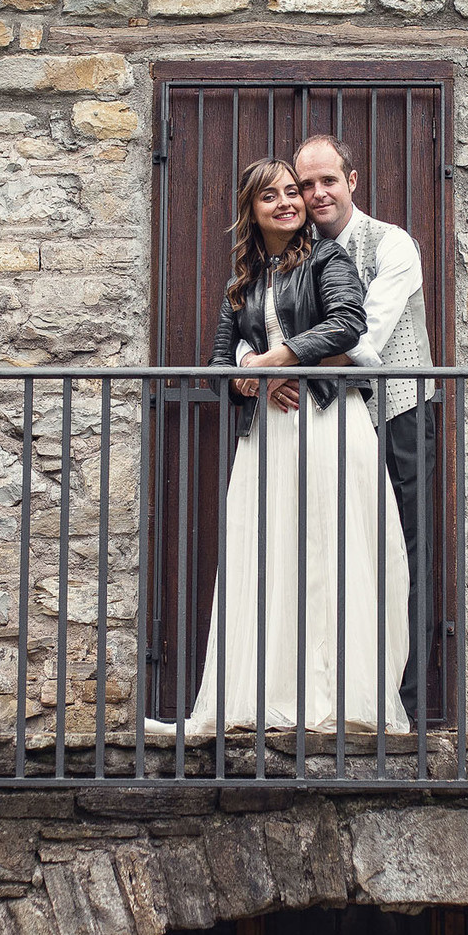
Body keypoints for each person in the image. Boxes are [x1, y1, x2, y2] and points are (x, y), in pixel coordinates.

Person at [158, 158, 412, 738]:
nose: (288, 202)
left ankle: (341, 699)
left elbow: (348, 324)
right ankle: (266, 696)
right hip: (268, 435)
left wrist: (278, 358)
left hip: (327, 419)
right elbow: (219, 365)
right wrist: (252, 376)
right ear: (251, 210)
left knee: (332, 551)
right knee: (271, 556)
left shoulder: (328, 259)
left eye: (292, 192)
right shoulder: (242, 282)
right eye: (269, 195)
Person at [293, 134, 439, 724]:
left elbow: (365, 340)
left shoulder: (392, 243)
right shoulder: (296, 254)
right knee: (335, 551)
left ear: (351, 181)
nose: (317, 193)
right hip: (330, 419)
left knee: (407, 553)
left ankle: (406, 707)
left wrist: (279, 363)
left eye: (328, 180)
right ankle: (341, 695)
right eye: (306, 184)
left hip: (399, 413)